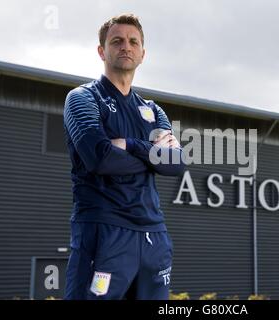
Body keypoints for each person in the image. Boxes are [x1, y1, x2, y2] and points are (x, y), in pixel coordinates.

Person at [63, 13, 186, 300]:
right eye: (116, 41)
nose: (125, 47)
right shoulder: (83, 98)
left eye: (133, 42)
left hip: (154, 235)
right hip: (104, 230)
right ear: (101, 50)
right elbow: (101, 158)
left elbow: (175, 163)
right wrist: (151, 155)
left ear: (143, 54)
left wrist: (130, 144)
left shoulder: (154, 110)